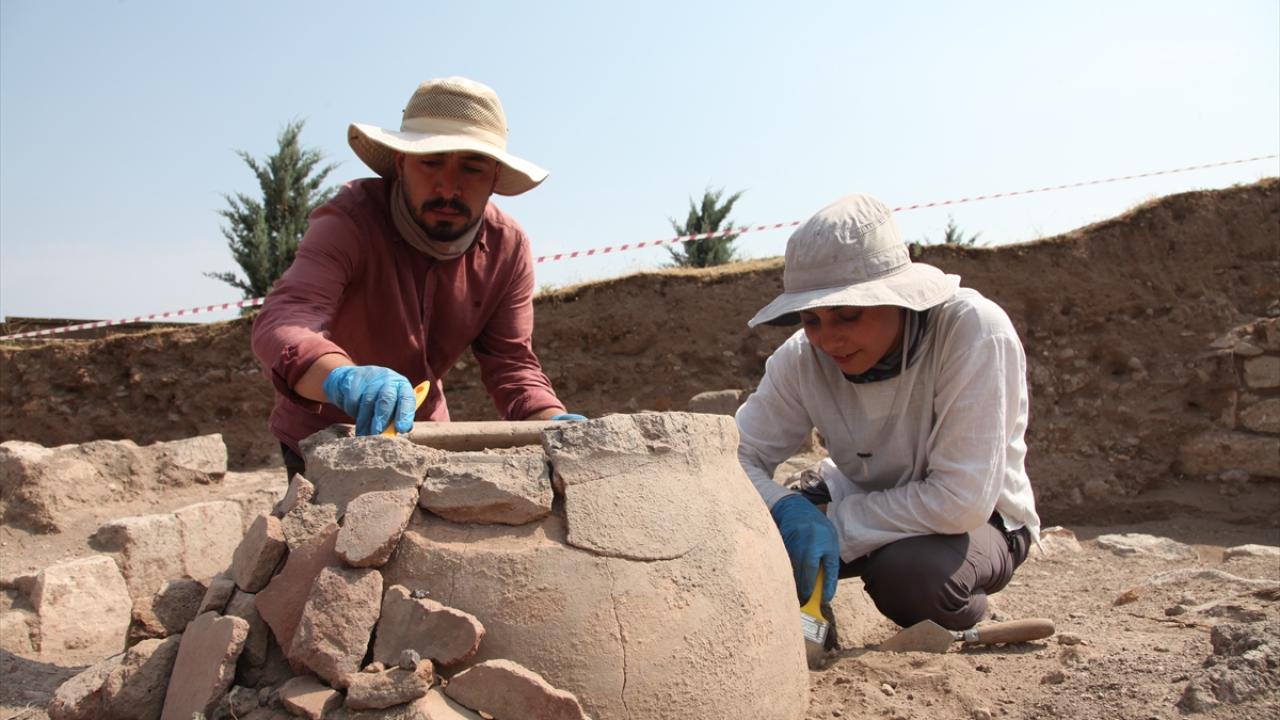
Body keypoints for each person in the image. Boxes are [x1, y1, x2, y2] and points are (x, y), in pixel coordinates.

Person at [735, 192, 1040, 632]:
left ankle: (964, 611)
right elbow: (736, 456)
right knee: (748, 544)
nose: (828, 339)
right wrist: (784, 508)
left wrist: (833, 522)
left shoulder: (973, 332)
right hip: (854, 497)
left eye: (847, 315)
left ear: (897, 297)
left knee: (910, 577)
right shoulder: (801, 358)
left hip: (976, 522)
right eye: (811, 320)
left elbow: (960, 500)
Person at [252, 77, 581, 477]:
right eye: (431, 161)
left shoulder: (506, 249)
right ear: (401, 163)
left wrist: (554, 424)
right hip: (322, 438)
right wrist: (342, 378)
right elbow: (286, 318)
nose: (450, 188)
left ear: (495, 177)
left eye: (472, 168)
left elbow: (512, 365)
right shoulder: (349, 221)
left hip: (422, 434)